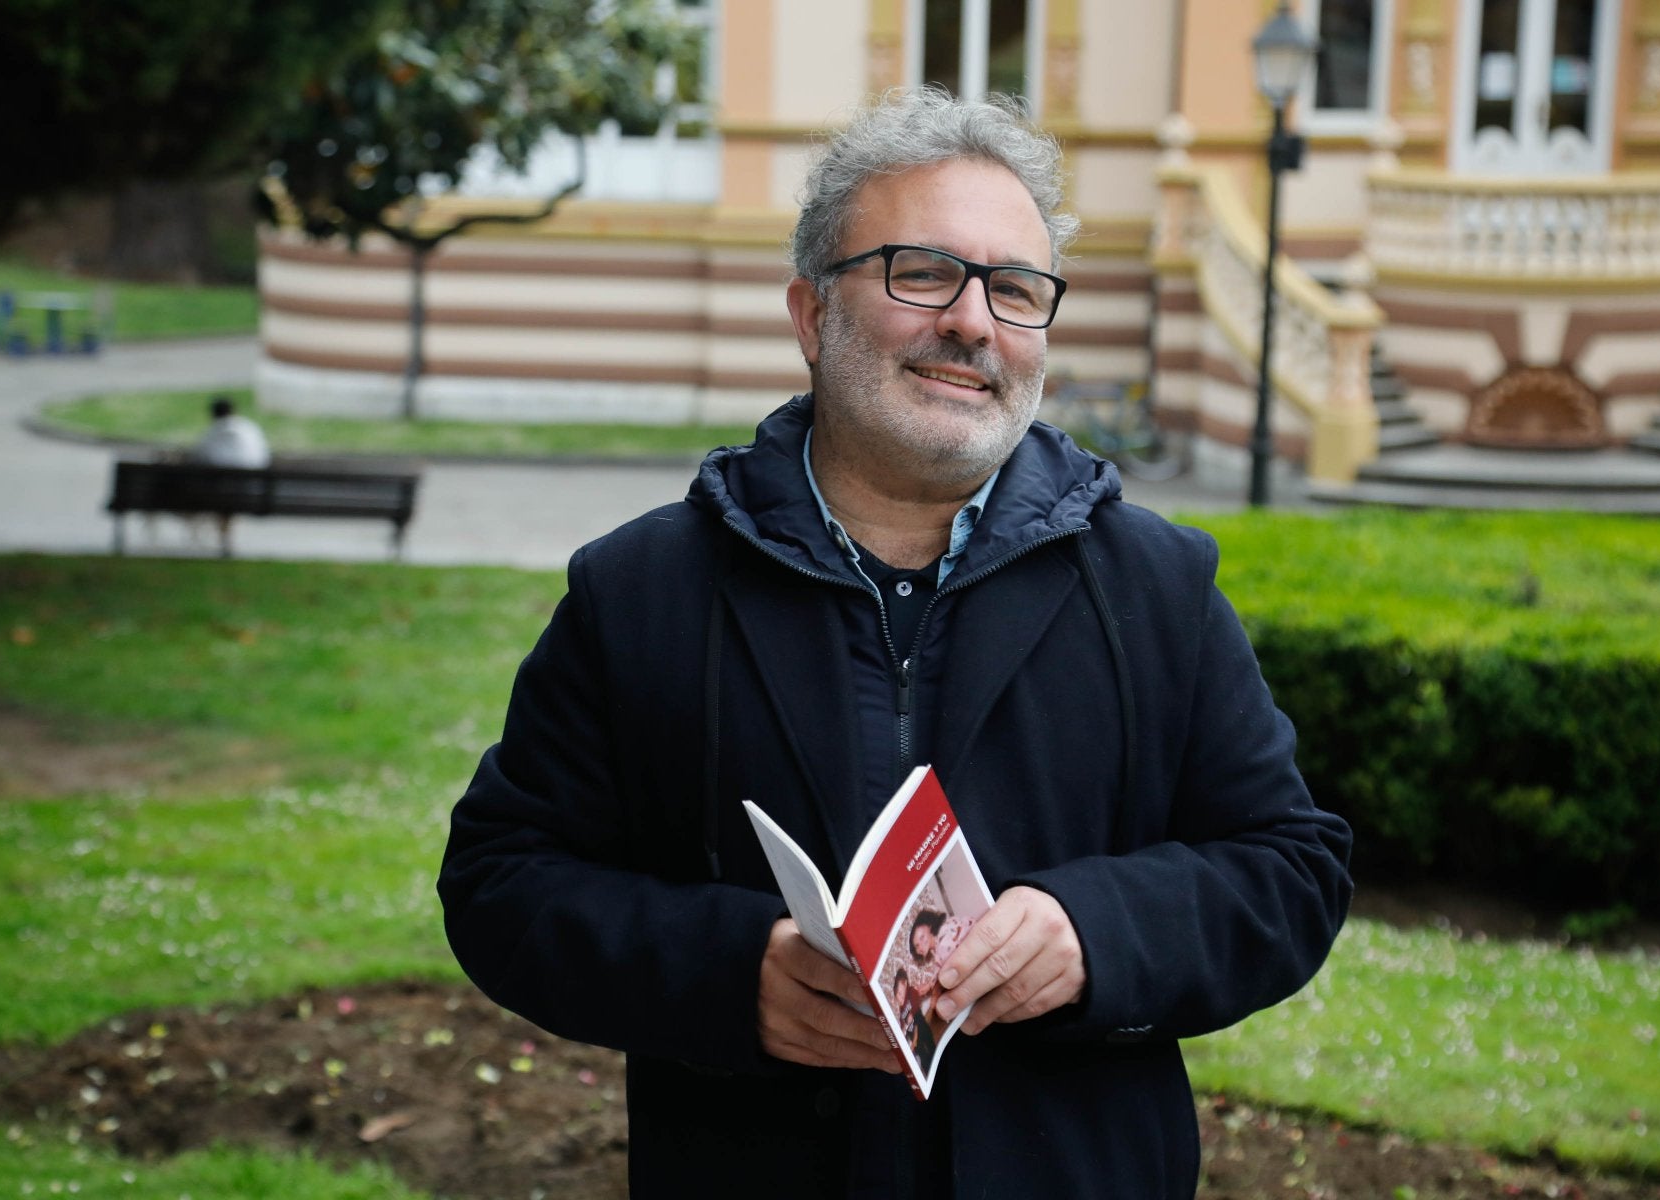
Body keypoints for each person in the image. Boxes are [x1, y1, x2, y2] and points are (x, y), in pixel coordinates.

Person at [439, 87, 1352, 1198]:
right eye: (923, 272)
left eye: (1016, 290)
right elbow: (502, 883)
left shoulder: (1156, 589)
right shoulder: (644, 591)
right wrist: (732, 976)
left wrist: (1096, 933)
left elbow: (1290, 870)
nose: (973, 320)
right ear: (812, 313)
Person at [192, 395, 270, 469]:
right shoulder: (251, 428)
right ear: (234, 411)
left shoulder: (210, 433)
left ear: (213, 414)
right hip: (253, 481)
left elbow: (199, 457)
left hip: (220, 481)